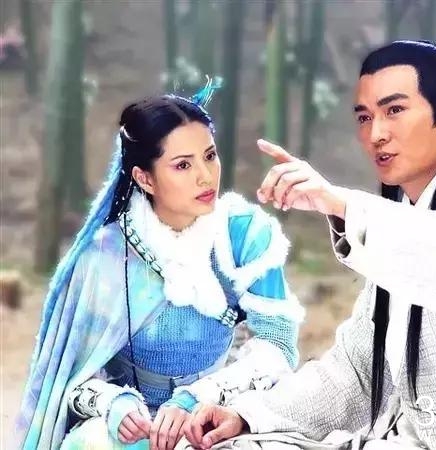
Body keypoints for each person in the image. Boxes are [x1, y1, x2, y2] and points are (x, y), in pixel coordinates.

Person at [180, 40, 436, 449]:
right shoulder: (401, 231)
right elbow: (356, 374)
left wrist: (341, 204)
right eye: (365, 117)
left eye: (395, 110)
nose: (376, 134)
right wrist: (249, 415)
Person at [15, 82, 304, 450]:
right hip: (133, 430)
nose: (205, 176)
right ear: (144, 178)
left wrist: (200, 396)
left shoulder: (244, 235)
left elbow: (278, 345)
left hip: (219, 415)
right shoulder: (106, 256)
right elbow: (67, 378)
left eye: (210, 156)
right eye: (183, 165)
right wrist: (113, 403)